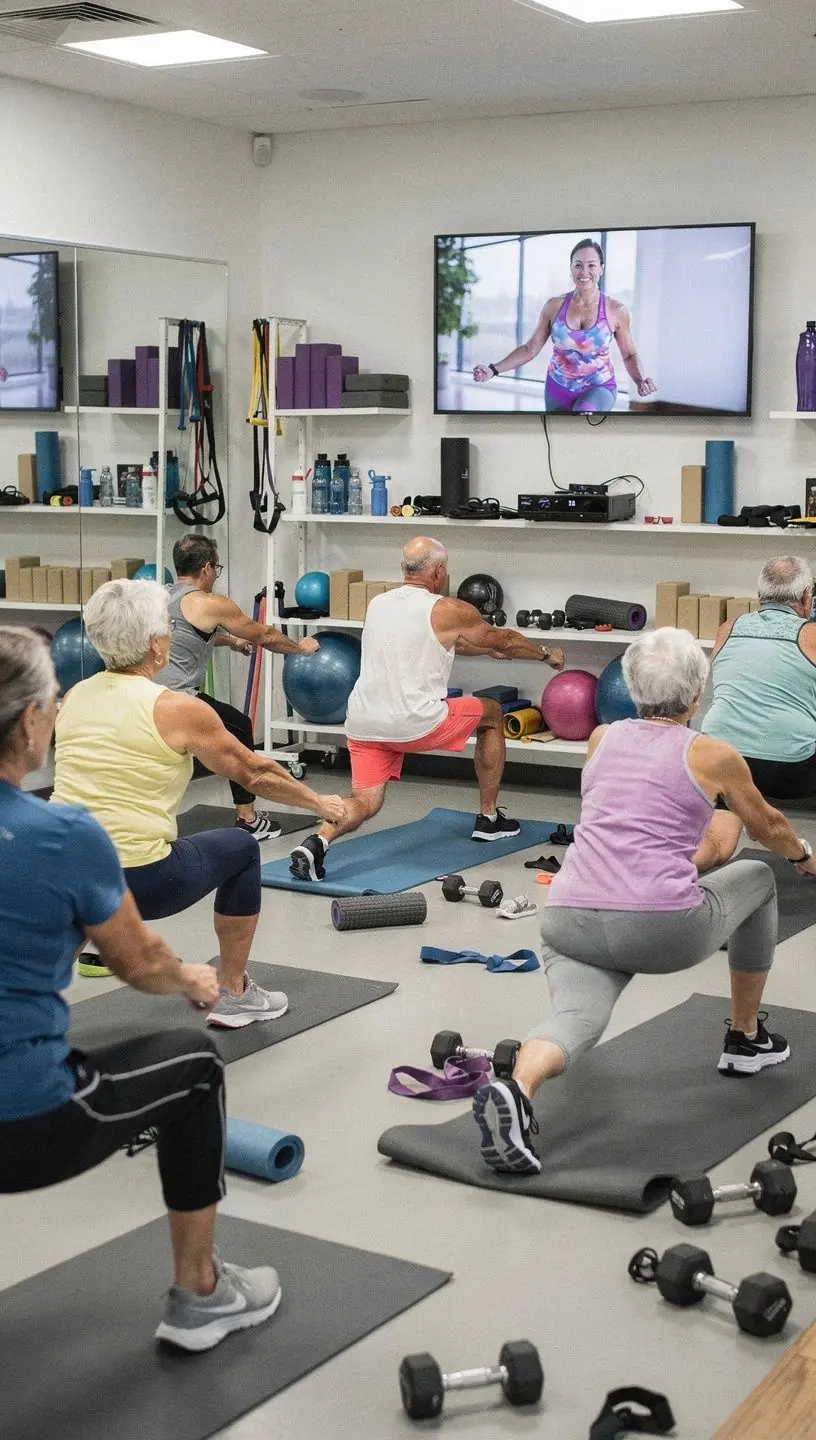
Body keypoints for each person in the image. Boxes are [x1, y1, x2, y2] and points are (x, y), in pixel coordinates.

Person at [0, 625, 281, 1350]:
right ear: (29, 721)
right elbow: (139, 964)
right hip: (21, 1125)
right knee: (195, 1069)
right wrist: (192, 978)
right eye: (50, 705)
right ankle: (202, 1295)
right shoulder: (64, 833)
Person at [472, 627, 816, 1177]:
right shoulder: (712, 753)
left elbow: (630, 824)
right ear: (697, 693)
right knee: (759, 877)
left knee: (575, 1018)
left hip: (568, 917)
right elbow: (768, 826)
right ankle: (745, 1037)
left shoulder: (601, 738)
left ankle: (518, 1089)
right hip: (660, 929)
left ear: (631, 689)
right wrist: (803, 855)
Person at [52, 579, 346, 1022]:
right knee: (242, 847)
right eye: (167, 629)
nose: (171, 635)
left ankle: (25, 1010)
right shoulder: (176, 708)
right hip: (138, 880)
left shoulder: (74, 695)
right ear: (156, 645)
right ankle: (235, 993)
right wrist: (320, 803)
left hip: (61, 867)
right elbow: (255, 773)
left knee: (78, 895)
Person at [290, 537, 564, 882]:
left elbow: (439, 641)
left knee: (366, 801)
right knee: (492, 713)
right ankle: (489, 819)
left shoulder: (379, 603)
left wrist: (484, 649)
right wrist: (545, 654)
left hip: (364, 723)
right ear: (439, 571)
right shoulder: (448, 609)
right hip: (416, 723)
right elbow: (505, 639)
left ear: (404, 568)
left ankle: (317, 843)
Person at [154, 534, 320, 842]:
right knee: (240, 726)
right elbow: (264, 635)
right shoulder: (210, 603)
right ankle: (248, 819)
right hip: (179, 700)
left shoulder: (160, 596)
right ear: (207, 568)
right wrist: (301, 648)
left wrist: (230, 641)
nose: (216, 575)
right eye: (216, 568)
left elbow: (187, 634)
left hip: (147, 697)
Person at [695, 555, 816, 870]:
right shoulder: (812, 635)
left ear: (760, 595)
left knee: (718, 841)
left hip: (722, 758)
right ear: (806, 596)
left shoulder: (727, 628)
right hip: (793, 771)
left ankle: (656, 868)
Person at [472, 238, 655, 413]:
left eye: (591, 265)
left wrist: (640, 380)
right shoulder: (553, 306)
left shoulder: (616, 310)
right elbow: (530, 349)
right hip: (557, 388)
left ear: (601, 268)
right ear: (571, 269)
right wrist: (492, 370)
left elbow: (629, 354)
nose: (584, 272)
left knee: (583, 414)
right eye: (578, 265)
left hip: (598, 387)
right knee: (559, 433)